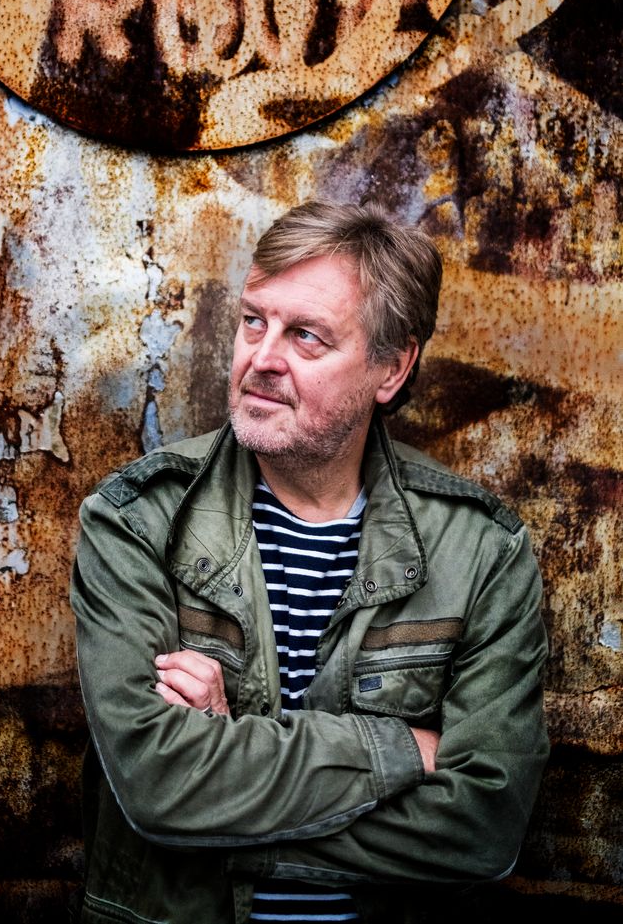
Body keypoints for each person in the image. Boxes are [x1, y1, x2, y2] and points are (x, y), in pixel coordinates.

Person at [71, 199, 549, 924]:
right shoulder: (137, 519)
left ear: (391, 368)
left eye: (306, 336)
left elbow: (483, 824)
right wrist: (402, 748)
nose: (260, 359)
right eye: (252, 321)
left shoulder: (480, 549)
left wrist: (223, 783)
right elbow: (157, 783)